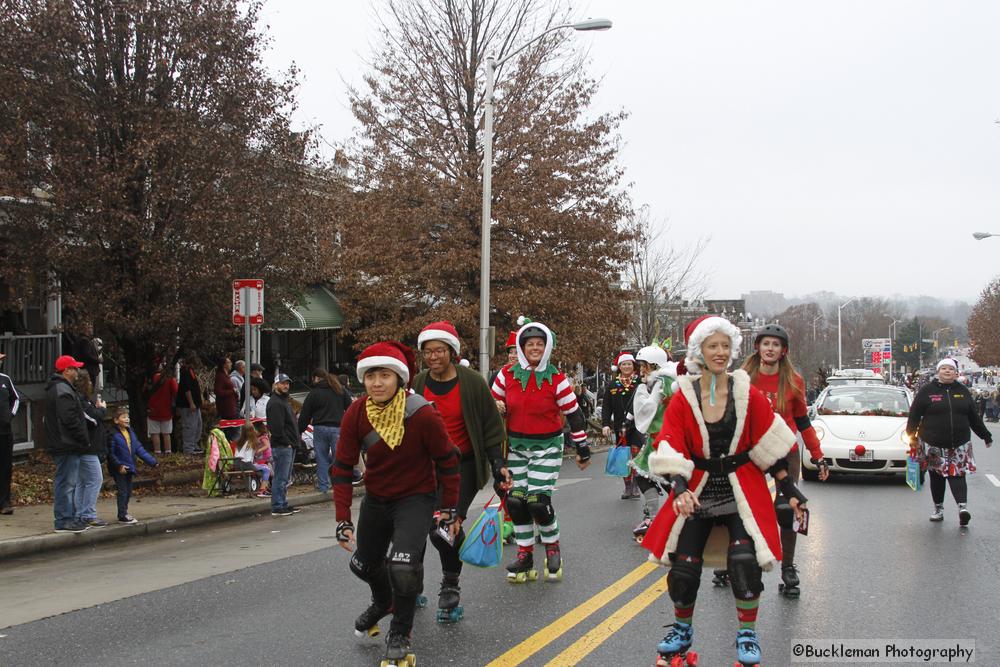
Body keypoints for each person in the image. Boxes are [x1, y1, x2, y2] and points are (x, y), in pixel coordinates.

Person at [641, 316, 796, 667]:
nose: (721, 352)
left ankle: (747, 633)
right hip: (698, 488)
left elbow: (767, 441)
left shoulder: (746, 392)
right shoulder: (684, 396)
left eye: (726, 346)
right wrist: (679, 486)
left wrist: (789, 487)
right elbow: (670, 440)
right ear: (700, 351)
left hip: (741, 486)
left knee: (743, 561)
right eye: (713, 346)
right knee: (684, 565)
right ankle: (681, 630)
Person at [333, 341, 461, 666]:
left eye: (385, 375)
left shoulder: (422, 414)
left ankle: (400, 633)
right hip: (377, 499)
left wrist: (449, 508)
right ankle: (383, 602)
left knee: (403, 568)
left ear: (399, 379)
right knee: (362, 564)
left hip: (415, 499)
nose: (377, 383)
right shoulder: (357, 412)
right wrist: (342, 519)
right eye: (371, 375)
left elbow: (447, 460)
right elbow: (342, 466)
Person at [411, 321, 508, 622]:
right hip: (425, 468)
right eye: (428, 352)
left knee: (443, 529)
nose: (434, 357)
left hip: (461, 466)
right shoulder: (417, 383)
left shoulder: (472, 382)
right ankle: (411, 583)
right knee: (415, 526)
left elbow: (491, 426)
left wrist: (497, 464)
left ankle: (450, 584)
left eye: (439, 350)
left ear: (451, 352)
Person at [491, 317, 592, 583]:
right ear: (521, 348)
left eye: (539, 344)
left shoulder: (556, 377)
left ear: (546, 348)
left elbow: (574, 413)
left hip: (547, 446)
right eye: (529, 344)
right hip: (516, 447)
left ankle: (552, 547)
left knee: (537, 501)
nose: (534, 348)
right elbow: (491, 402)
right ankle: (525, 554)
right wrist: (496, 405)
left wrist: (582, 447)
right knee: (516, 501)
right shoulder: (506, 374)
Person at [741, 323, 827, 597]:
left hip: (784, 450)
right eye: (765, 344)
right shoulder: (743, 377)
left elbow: (802, 421)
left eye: (775, 345)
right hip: (750, 451)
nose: (770, 349)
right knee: (742, 507)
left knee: (789, 508)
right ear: (757, 347)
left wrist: (818, 456)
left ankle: (788, 567)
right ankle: (735, 560)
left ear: (783, 350)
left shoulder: (793, 381)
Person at [907, 357, 992, 525]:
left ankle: (963, 508)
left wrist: (985, 435)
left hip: (959, 444)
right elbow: (914, 415)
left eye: (950, 369)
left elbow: (973, 417)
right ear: (938, 372)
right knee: (937, 476)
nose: (947, 371)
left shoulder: (963, 391)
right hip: (933, 444)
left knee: (958, 475)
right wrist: (912, 436)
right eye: (944, 368)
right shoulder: (927, 391)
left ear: (955, 373)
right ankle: (938, 509)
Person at [627, 344, 678, 542]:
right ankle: (660, 517)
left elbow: (648, 409)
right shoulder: (668, 380)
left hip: (664, 440)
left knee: (666, 480)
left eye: (644, 367)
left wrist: (640, 393)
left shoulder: (661, 382)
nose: (641, 371)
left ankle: (663, 518)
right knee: (651, 477)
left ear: (654, 365)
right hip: (662, 438)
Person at [43, 355, 92, 533]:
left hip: (64, 442)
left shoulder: (60, 388)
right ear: (66, 371)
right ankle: (64, 520)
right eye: (74, 368)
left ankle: (68, 517)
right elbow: (69, 419)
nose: (77, 372)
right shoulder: (63, 389)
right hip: (66, 443)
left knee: (67, 481)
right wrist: (83, 438)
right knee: (66, 482)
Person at [298, 368, 352, 493]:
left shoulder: (314, 393)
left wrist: (300, 430)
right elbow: (350, 408)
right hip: (337, 428)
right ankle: (340, 484)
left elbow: (305, 413)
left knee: (321, 457)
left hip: (320, 428)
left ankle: (324, 486)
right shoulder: (340, 390)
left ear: (316, 378)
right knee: (338, 457)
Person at [602, 351, 643, 499]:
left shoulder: (640, 382)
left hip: (638, 426)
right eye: (623, 364)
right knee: (624, 458)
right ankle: (627, 487)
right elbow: (606, 406)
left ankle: (636, 486)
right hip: (621, 427)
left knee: (636, 455)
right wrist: (605, 424)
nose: (626, 366)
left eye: (629, 364)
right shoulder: (612, 384)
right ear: (619, 367)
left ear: (633, 366)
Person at [108, 407, 158, 524]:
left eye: (127, 417)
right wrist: (119, 466)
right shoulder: (112, 434)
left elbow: (139, 448)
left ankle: (124, 512)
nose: (127, 419)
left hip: (129, 466)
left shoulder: (130, 432)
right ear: (116, 420)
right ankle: (122, 514)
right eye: (124, 417)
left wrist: (152, 461)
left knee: (128, 491)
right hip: (119, 468)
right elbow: (110, 453)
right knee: (123, 491)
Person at [75, 370, 109, 527]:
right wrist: (101, 410)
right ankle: (88, 513)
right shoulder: (80, 400)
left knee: (83, 481)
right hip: (87, 447)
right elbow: (92, 418)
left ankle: (80, 513)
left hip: (85, 446)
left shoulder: (84, 400)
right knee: (95, 479)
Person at [266, 373, 300, 516]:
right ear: (275, 385)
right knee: (280, 477)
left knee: (284, 478)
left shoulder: (283, 401)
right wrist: (286, 443)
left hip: (288, 445)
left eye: (287, 383)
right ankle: (278, 506)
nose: (285, 386)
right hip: (282, 446)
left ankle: (283, 503)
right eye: (282, 383)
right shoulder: (275, 403)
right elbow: (276, 427)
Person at [0, 353, 20, 514]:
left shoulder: (5, 379)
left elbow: (16, 399)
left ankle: (4, 502)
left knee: (5, 467)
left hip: (5, 432)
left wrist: (10, 416)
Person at [145, 365, 178, 456]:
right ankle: (168, 452)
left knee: (154, 433)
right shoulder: (169, 379)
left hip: (152, 410)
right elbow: (176, 392)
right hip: (166, 409)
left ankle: (157, 452)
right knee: (166, 433)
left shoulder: (150, 379)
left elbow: (144, 391)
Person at [176, 355, 203, 455]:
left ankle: (194, 445)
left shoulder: (191, 371)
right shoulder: (185, 371)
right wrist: (191, 403)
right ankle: (188, 448)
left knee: (198, 425)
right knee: (189, 426)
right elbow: (187, 389)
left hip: (195, 405)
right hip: (188, 405)